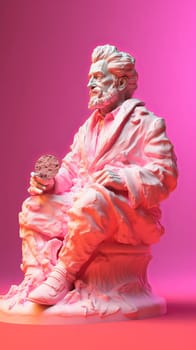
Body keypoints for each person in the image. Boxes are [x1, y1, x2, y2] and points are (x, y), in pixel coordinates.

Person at [5, 44, 178, 308]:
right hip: (85, 205)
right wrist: (49, 183)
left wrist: (124, 179)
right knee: (34, 207)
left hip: (128, 213)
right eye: (89, 79)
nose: (90, 84)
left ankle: (63, 275)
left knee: (93, 198)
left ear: (120, 83)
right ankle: (36, 275)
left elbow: (166, 175)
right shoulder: (88, 128)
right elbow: (72, 170)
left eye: (97, 78)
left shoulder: (147, 123)